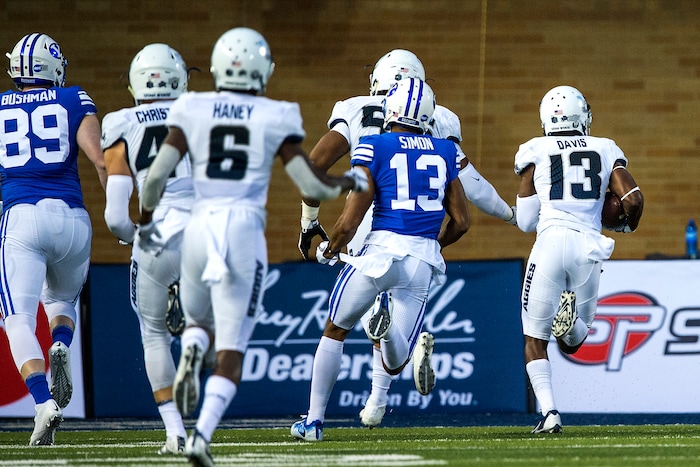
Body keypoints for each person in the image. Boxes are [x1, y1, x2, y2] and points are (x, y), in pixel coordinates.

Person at [136, 27, 364, 466]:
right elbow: (308, 181)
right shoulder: (275, 113)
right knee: (234, 347)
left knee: (198, 322)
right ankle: (201, 436)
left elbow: (157, 176)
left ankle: (193, 349)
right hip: (242, 229)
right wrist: (347, 182)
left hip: (199, 226)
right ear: (264, 70)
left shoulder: (193, 106)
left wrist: (145, 221)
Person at [297, 49, 516, 429]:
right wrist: (511, 215)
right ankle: (377, 403)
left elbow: (316, 168)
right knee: (394, 336)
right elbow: (470, 193)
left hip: (372, 230)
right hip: (422, 243)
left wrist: (312, 225)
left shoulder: (361, 117)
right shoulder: (442, 132)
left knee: (343, 323)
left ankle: (317, 419)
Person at [291, 77, 470, 442]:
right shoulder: (444, 151)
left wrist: (332, 247)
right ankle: (386, 331)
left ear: (391, 109)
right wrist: (432, 246)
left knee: (335, 330)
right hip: (420, 259)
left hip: (378, 255)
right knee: (395, 360)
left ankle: (313, 422)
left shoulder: (374, 145)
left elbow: (352, 215)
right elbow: (462, 222)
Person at [514, 85, 644, 433]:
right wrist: (626, 227)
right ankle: (568, 322)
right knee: (573, 342)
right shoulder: (604, 148)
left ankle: (550, 413)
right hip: (589, 245)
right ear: (583, 116)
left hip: (550, 243)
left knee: (534, 339)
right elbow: (631, 198)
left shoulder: (534, 150)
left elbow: (526, 222)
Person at [0, 32, 107, 445]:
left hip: (22, 215)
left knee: (18, 320)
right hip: (73, 219)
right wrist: (122, 217)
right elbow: (99, 160)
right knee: (60, 301)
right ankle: (60, 342)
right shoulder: (74, 98)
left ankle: (43, 401)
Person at [101, 43, 192, 455]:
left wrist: (130, 236)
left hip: (157, 235)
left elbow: (117, 216)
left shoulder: (121, 121)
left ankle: (175, 431)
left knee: (153, 334)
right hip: (210, 230)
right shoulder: (203, 113)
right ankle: (197, 343)